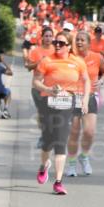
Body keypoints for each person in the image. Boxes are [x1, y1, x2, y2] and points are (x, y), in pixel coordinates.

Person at [32, 33, 90, 194]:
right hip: (48, 103)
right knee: (47, 142)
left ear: (69, 45)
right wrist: (48, 89)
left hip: (67, 104)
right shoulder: (47, 60)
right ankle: (43, 166)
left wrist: (85, 99)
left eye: (61, 43)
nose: (57, 45)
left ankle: (58, 182)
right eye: (56, 42)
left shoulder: (77, 62)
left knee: (60, 141)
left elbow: (86, 80)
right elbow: (35, 81)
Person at [66, 30, 104, 177]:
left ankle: (84, 156)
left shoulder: (96, 57)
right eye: (77, 40)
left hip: (89, 96)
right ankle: (71, 164)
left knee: (89, 132)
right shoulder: (70, 58)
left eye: (82, 40)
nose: (79, 42)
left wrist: (101, 81)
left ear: (88, 43)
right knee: (74, 132)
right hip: (72, 97)